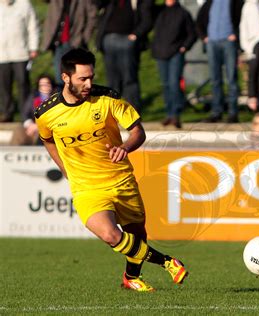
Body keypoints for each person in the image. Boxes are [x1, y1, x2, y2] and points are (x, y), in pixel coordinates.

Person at [34, 48, 188, 292]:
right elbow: (48, 139)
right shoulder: (46, 113)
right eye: (82, 78)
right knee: (109, 235)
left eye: (91, 77)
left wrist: (125, 148)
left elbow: (138, 131)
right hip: (86, 188)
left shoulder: (107, 98)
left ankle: (131, 277)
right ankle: (168, 262)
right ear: (66, 78)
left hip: (121, 180)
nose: (88, 83)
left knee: (136, 235)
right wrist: (64, 168)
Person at [96, 0, 154, 113]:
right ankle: (112, 112)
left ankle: (132, 112)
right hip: (109, 39)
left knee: (129, 78)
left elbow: (147, 20)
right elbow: (96, 4)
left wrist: (136, 34)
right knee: (112, 80)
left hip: (127, 41)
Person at [196, 0, 244, 123]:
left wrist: (236, 35)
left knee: (231, 78)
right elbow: (199, 19)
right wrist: (204, 37)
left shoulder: (236, 2)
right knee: (215, 79)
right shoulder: (210, 2)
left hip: (228, 41)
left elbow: (243, 19)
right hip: (212, 42)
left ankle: (233, 113)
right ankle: (216, 112)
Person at [152, 0, 197, 129]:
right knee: (165, 84)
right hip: (161, 53)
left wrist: (184, 47)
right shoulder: (159, 11)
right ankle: (169, 113)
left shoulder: (183, 13)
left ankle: (176, 113)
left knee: (174, 83)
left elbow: (192, 34)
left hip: (176, 53)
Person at [40, 0, 98, 85]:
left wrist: (84, 37)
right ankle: (63, 96)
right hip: (58, 43)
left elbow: (92, 16)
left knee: (76, 76)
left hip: (75, 43)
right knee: (61, 77)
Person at [0, 0, 39, 122]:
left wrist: (33, 47)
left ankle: (25, 114)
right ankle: (7, 113)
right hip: (2, 55)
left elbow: (32, 26)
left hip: (21, 53)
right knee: (4, 85)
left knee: (23, 84)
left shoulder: (24, 4)